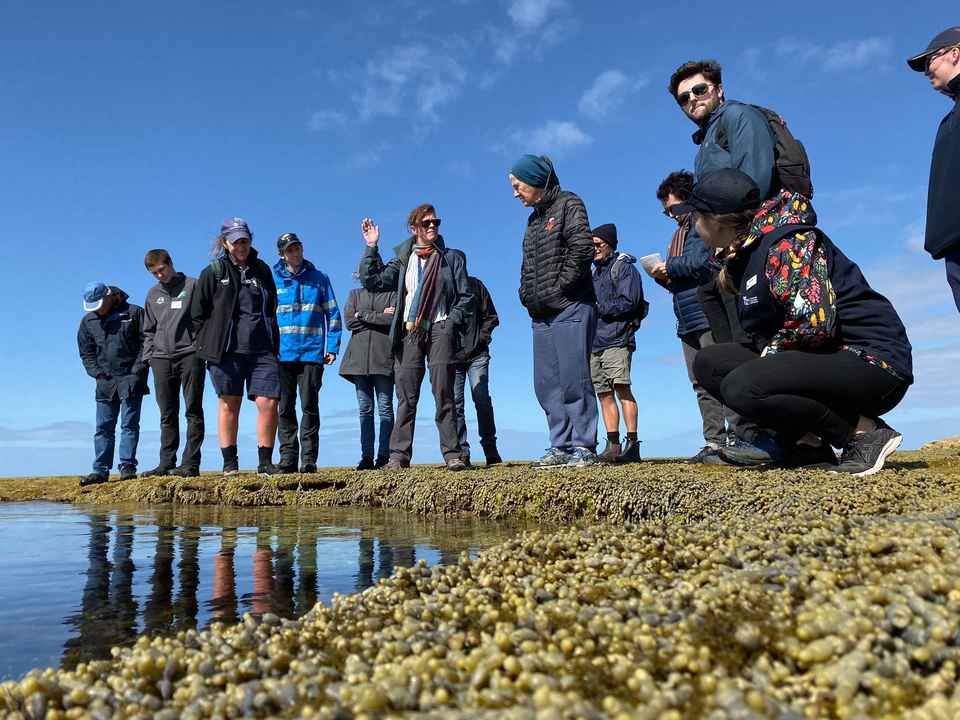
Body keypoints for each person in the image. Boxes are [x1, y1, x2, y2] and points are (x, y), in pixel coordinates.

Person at [685, 168, 913, 476]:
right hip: (821, 357)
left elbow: (816, 323)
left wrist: (771, 353)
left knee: (743, 385)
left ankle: (863, 433)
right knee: (711, 363)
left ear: (714, 220)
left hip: (872, 360)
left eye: (694, 218)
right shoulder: (745, 252)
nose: (693, 228)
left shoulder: (787, 242)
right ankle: (805, 444)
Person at [358, 204, 473, 471]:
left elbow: (466, 297)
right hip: (410, 331)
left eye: (436, 223)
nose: (432, 227)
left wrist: (450, 323)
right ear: (414, 229)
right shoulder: (402, 259)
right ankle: (398, 456)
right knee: (406, 396)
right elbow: (372, 281)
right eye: (426, 223)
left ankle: (453, 454)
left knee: (444, 392)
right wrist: (372, 247)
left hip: (441, 327)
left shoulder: (452, 258)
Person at [510, 154, 599, 468]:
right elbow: (526, 265)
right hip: (540, 314)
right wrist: (526, 293)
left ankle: (584, 446)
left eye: (518, 185)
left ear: (535, 180)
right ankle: (559, 446)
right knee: (546, 383)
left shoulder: (569, 203)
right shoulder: (533, 219)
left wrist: (560, 288)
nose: (515, 192)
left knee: (575, 379)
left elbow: (582, 248)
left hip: (570, 306)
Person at [655, 171, 738, 464]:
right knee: (699, 381)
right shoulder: (678, 234)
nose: (671, 215)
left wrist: (671, 267)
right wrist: (663, 276)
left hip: (707, 311)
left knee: (720, 375)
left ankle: (738, 437)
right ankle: (714, 441)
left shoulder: (703, 224)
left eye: (674, 208)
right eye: (666, 212)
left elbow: (704, 263)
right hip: (685, 314)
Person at [190, 217, 282, 477]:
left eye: (245, 240)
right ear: (225, 243)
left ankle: (265, 462)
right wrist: (207, 342)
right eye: (236, 241)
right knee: (230, 403)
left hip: (262, 349)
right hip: (226, 351)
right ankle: (230, 462)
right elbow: (197, 313)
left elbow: (271, 305)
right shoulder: (214, 272)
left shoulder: (262, 270)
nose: (241, 246)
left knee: (269, 403)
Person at [272, 232, 342, 473]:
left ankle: (309, 460)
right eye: (290, 249)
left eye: (297, 247)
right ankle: (288, 459)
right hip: (282, 355)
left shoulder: (320, 278)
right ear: (282, 254)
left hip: (312, 354)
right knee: (284, 408)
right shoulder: (273, 279)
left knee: (309, 406)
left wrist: (332, 347)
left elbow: (333, 314)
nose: (295, 252)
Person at [907, 28, 960, 312]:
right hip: (953, 247)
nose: (927, 70)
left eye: (931, 60)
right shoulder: (950, 119)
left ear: (955, 53)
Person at [77, 282, 149, 485]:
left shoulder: (134, 313)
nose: (98, 309)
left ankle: (127, 466)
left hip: (131, 378)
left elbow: (147, 343)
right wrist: (97, 374)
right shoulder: (87, 321)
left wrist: (137, 372)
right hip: (104, 381)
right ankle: (100, 470)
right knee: (103, 427)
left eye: (99, 303)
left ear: (108, 296)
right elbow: (86, 353)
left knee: (129, 425)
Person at [141, 249, 205, 478]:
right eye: (154, 273)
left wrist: (200, 348)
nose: (160, 276)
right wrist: (149, 357)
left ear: (170, 263)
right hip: (160, 359)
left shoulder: (193, 285)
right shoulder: (152, 294)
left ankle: (190, 464)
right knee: (167, 414)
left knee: (193, 410)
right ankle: (166, 463)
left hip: (190, 355)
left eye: (162, 270)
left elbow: (205, 319)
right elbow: (148, 329)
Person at [589, 224, 643, 464]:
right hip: (595, 342)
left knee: (622, 389)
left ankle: (632, 444)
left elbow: (629, 302)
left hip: (617, 339)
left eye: (599, 245)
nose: (595, 250)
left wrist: (599, 309)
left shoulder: (624, 269)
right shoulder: (594, 272)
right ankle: (613, 444)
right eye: (591, 246)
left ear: (610, 244)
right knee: (604, 394)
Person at [338, 279, 396, 470]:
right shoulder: (354, 294)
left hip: (383, 359)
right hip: (358, 362)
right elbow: (349, 322)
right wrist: (378, 316)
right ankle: (367, 457)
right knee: (365, 410)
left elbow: (392, 321)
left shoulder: (392, 294)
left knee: (385, 408)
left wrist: (361, 314)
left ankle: (384, 456)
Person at [452, 272, 502, 467]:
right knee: (455, 404)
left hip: (478, 354)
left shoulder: (476, 285)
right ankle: (462, 453)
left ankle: (491, 450)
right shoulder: (441, 288)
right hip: (451, 357)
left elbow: (491, 316)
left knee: (482, 400)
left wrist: (481, 339)